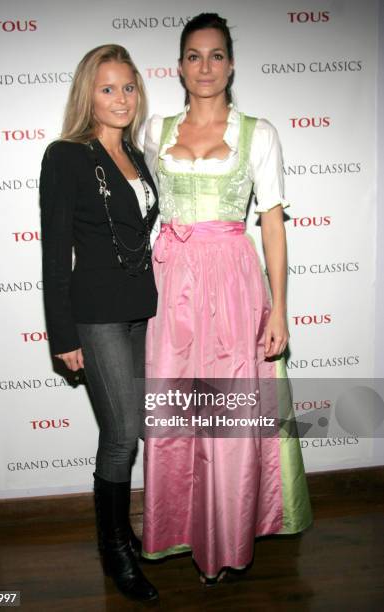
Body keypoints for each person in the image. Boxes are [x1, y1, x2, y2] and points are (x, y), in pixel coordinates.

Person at [142, 13, 313, 584]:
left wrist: (280, 309)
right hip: (171, 287)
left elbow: (272, 224)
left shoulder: (257, 133)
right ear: (180, 66)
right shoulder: (155, 131)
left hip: (235, 287)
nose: (205, 66)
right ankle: (180, 530)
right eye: (194, 55)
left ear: (232, 64)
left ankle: (227, 539)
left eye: (216, 55)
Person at [39, 44, 159, 601]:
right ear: (89, 93)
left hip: (140, 309)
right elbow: (54, 253)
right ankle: (113, 550)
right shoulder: (65, 156)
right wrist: (62, 336)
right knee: (120, 435)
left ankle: (122, 535)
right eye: (108, 88)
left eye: (128, 87)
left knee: (132, 430)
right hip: (96, 313)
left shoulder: (137, 153)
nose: (120, 98)